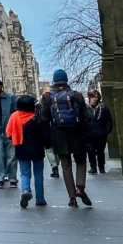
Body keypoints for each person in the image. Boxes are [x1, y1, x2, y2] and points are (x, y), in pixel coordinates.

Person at [41, 70, 92, 207]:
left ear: (54, 81)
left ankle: (72, 198)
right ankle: (80, 188)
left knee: (66, 165)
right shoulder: (77, 95)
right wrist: (88, 135)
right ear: (66, 79)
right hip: (77, 132)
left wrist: (46, 138)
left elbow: (45, 119)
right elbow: (85, 118)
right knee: (81, 161)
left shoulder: (47, 98)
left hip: (59, 134)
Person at [7, 95, 49, 209]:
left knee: (24, 173)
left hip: (21, 148)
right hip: (37, 150)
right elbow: (45, 135)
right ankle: (40, 199)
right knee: (39, 174)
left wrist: (16, 137)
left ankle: (26, 191)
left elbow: (8, 133)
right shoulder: (37, 118)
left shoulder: (14, 116)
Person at [86, 89, 113, 175]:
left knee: (101, 151)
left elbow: (109, 120)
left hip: (101, 134)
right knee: (91, 151)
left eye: (96, 97)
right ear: (89, 97)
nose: (94, 99)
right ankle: (93, 167)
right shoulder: (86, 108)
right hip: (90, 134)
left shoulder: (103, 107)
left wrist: (106, 131)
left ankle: (101, 167)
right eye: (93, 97)